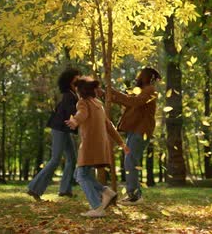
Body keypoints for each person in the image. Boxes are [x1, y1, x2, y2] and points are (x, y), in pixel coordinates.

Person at [65, 76, 130, 218]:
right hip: (101, 146)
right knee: (81, 174)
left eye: (77, 90)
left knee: (81, 176)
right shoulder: (98, 103)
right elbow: (109, 125)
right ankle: (106, 192)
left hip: (89, 145)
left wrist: (75, 121)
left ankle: (97, 206)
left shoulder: (82, 103)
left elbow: (82, 114)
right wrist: (121, 143)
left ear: (81, 91)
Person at [27, 68, 80, 201]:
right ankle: (34, 188)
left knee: (72, 159)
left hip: (64, 130)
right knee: (55, 159)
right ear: (69, 81)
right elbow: (71, 111)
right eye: (76, 78)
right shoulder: (69, 95)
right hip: (59, 129)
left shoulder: (72, 94)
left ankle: (65, 190)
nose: (78, 80)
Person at [110, 67, 161, 205]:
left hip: (141, 130)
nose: (138, 76)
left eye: (141, 74)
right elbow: (129, 101)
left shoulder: (150, 90)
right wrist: (108, 94)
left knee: (130, 161)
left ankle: (135, 196)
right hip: (135, 130)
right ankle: (134, 194)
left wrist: (112, 91)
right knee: (130, 160)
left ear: (146, 76)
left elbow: (133, 102)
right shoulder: (143, 91)